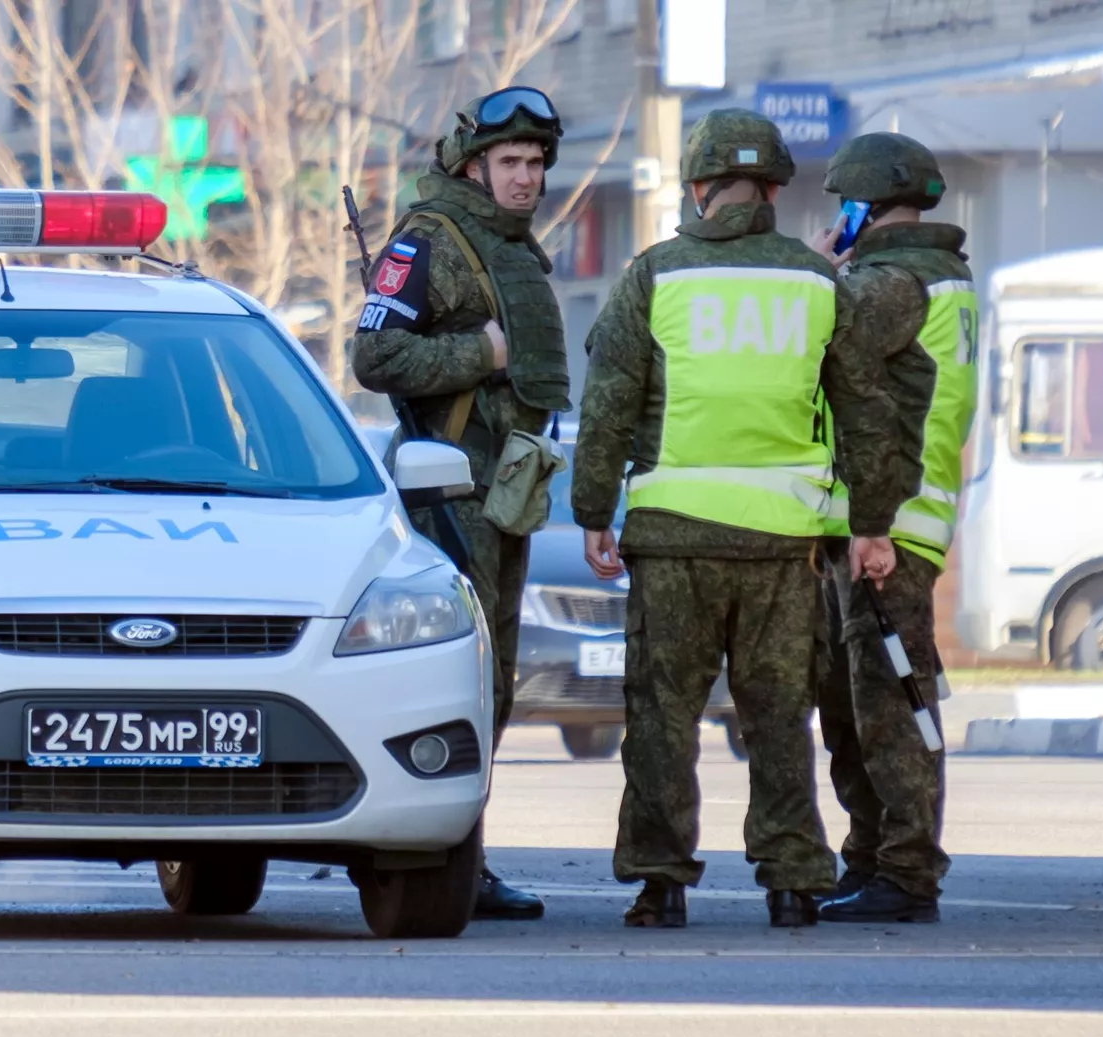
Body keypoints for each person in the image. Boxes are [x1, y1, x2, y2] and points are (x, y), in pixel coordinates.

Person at [571, 108, 901, 930]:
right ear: (775, 189)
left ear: (697, 187)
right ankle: (792, 880)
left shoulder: (656, 274)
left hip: (673, 538)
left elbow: (609, 401)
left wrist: (591, 510)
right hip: (783, 547)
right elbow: (866, 410)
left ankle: (661, 882)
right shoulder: (819, 281)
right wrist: (871, 523)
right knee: (779, 714)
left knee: (662, 714)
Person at [351, 87, 572, 920]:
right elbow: (374, 353)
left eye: (536, 164)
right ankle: (443, 861)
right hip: (448, 495)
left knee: (497, 684)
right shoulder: (427, 241)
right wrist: (476, 351)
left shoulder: (513, 245)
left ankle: (464, 859)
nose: (527, 178)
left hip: (505, 490)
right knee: (462, 681)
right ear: (475, 165)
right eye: (511, 162)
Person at [804, 132, 976, 924]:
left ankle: (905, 872)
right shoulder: (943, 276)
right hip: (905, 517)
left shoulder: (893, 281)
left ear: (860, 208)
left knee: (888, 705)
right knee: (868, 698)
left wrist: (816, 266)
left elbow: (814, 335)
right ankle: (872, 859)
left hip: (887, 525)